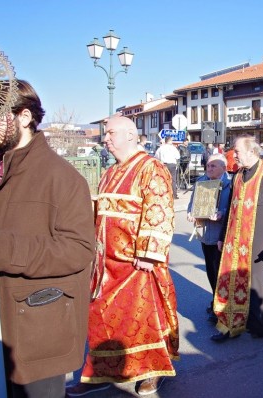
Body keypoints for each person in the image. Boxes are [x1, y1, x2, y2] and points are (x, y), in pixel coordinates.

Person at [0, 80, 95, 397]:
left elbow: (79, 249)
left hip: (39, 327)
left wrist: (5, 248)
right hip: (1, 317)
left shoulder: (62, 177)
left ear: (24, 116)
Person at [67, 116, 178, 397]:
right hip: (105, 265)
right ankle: (101, 372)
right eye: (105, 134)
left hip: (136, 263)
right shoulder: (111, 172)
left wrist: (149, 253)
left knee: (144, 320)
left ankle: (152, 371)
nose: (106, 138)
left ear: (131, 135)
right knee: (102, 320)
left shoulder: (150, 167)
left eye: (111, 133)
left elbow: (160, 209)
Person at [211, 135, 263, 342]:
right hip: (236, 241)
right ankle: (232, 324)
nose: (234, 155)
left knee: (261, 285)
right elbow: (231, 207)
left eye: (237, 152)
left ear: (251, 151)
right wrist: (222, 236)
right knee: (233, 282)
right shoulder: (238, 174)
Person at [186, 154, 232, 323]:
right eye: (208, 165)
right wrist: (191, 213)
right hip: (206, 234)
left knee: (221, 271)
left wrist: (223, 213)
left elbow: (235, 208)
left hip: (222, 235)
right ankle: (215, 299)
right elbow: (192, 203)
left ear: (223, 168)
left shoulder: (231, 184)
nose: (209, 168)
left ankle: (222, 306)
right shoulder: (201, 181)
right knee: (211, 270)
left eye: (214, 166)